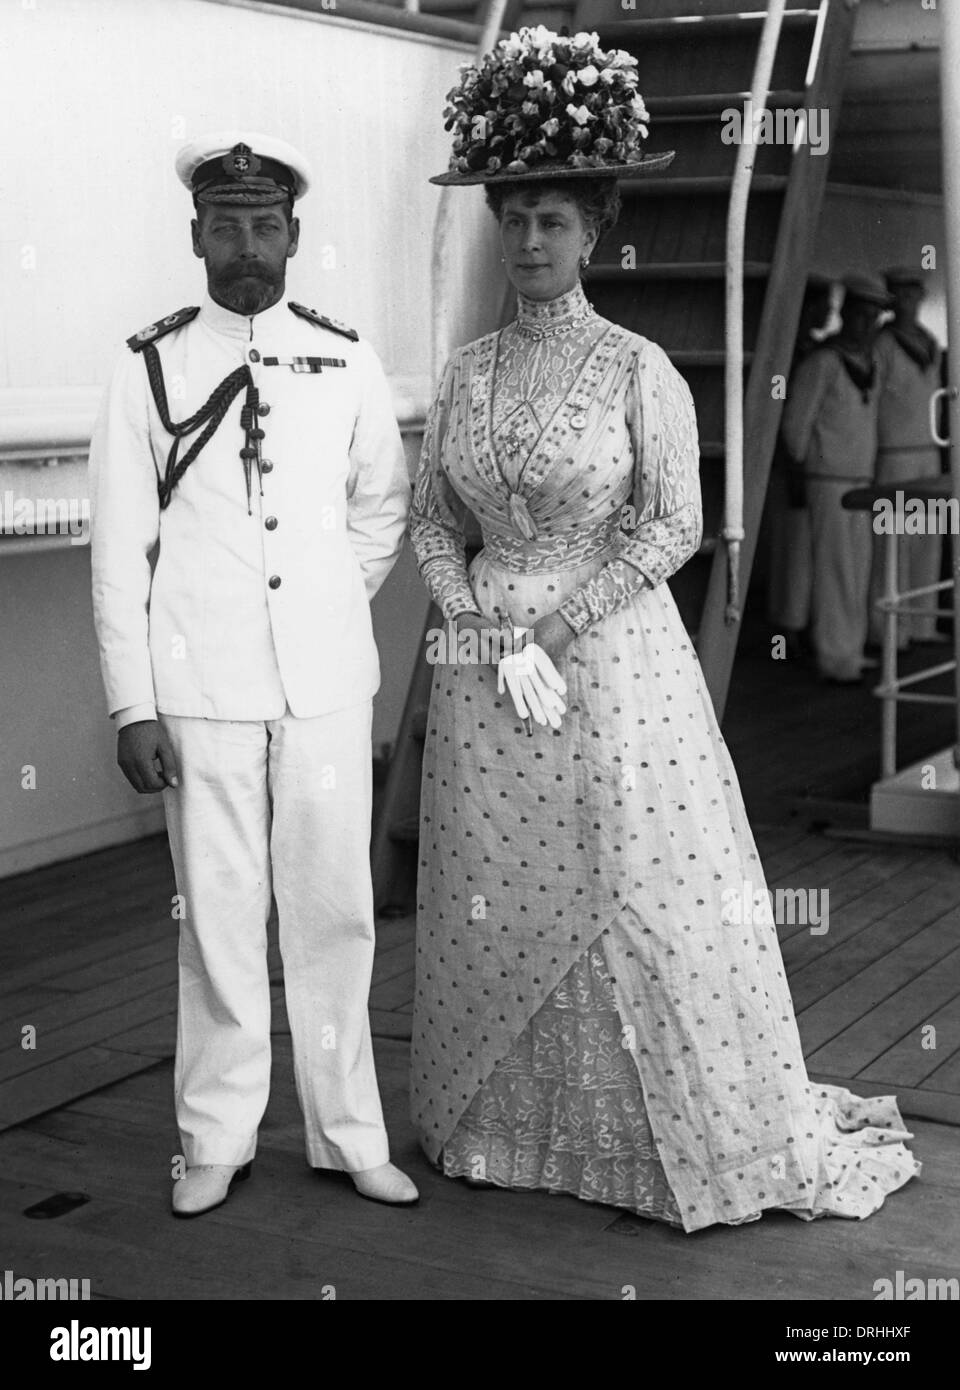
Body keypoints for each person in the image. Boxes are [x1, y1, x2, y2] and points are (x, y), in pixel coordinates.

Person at [408, 28, 918, 1233]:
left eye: (553, 222)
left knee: (634, 886)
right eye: (514, 218)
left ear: (593, 232)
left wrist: (558, 624)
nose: (530, 243)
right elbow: (435, 523)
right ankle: (499, 1129)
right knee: (500, 896)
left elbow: (673, 525)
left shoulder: (640, 368)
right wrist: (482, 623)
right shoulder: (464, 375)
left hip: (615, 668)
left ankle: (672, 1141)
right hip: (488, 684)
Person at [89, 131, 418, 1216]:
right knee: (221, 922)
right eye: (225, 226)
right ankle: (215, 1139)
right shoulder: (150, 365)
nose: (246, 246)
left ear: (293, 236)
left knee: (336, 915)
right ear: (196, 237)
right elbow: (118, 550)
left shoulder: (346, 356)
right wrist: (134, 702)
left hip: (325, 688)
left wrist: (324, 602)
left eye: (263, 225)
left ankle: (349, 1133)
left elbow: (381, 507)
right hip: (201, 691)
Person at [780, 274, 891, 684]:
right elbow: (796, 427)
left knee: (858, 569)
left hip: (861, 479)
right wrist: (805, 469)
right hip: (828, 480)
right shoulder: (823, 362)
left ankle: (851, 648)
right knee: (834, 570)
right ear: (845, 314)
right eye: (860, 314)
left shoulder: (871, 362)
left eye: (874, 317)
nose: (867, 323)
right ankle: (834, 656)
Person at [868, 266, 946, 646]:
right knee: (893, 544)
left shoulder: (929, 341)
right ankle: (890, 632)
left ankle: (922, 624)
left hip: (927, 450)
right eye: (901, 296)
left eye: (914, 296)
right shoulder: (882, 344)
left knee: (926, 541)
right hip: (894, 452)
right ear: (892, 300)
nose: (909, 303)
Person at [766, 275, 833, 655]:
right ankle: (785, 632)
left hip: (802, 461)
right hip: (787, 462)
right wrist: (792, 465)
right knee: (791, 550)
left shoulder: (812, 348)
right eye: (823, 305)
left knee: (801, 550)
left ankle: (797, 624)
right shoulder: (790, 351)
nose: (828, 313)